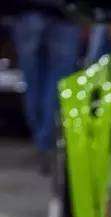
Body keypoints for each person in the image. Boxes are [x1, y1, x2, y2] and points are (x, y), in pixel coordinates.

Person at [11, 1, 81, 173]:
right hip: (65, 13)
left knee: (33, 85)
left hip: (28, 12)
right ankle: (46, 142)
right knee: (58, 83)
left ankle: (43, 141)